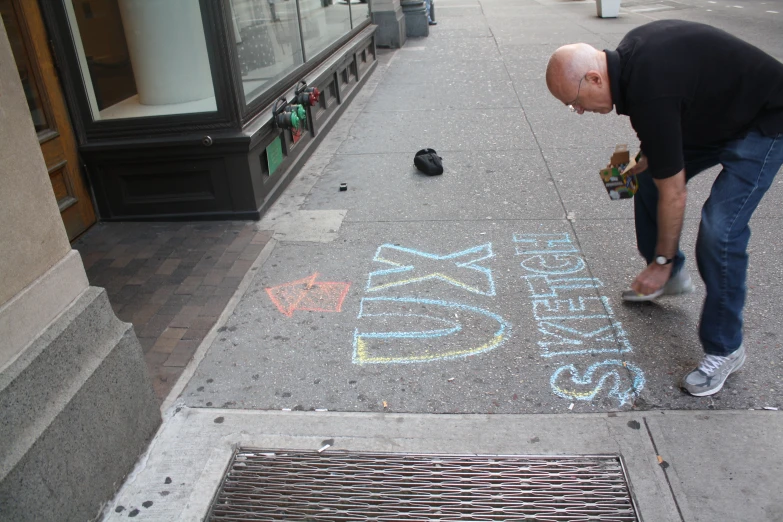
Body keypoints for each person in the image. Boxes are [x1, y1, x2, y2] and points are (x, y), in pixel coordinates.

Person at [545, 20, 783, 397]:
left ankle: (725, 348)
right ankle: (671, 278)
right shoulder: (630, 60)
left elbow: (675, 193)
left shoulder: (649, 89)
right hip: (718, 116)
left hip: (766, 119)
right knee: (647, 176)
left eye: (573, 100)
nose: (576, 110)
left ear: (593, 78)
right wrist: (645, 157)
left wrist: (661, 259)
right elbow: (667, 115)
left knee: (721, 229)